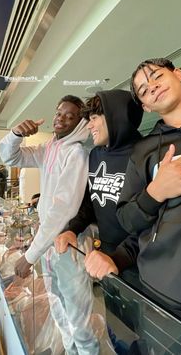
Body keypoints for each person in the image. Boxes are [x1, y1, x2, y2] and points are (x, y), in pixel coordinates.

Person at [116, 58, 181, 343]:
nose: (150, 87)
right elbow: (126, 219)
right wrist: (155, 193)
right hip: (167, 308)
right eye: (142, 90)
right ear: (146, 106)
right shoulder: (143, 151)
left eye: (155, 76)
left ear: (178, 74)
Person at [0, 95, 99, 355]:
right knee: (58, 304)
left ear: (81, 123)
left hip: (69, 243)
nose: (61, 118)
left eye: (70, 115)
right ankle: (70, 350)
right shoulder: (50, 148)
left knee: (79, 315)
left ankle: (86, 352)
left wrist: (30, 256)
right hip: (50, 244)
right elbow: (11, 158)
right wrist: (15, 134)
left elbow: (61, 210)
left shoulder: (75, 153)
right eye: (59, 112)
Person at [55, 89, 143, 284]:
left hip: (141, 259)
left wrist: (120, 257)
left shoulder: (146, 153)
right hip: (105, 256)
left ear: (115, 117)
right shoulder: (96, 155)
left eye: (94, 118)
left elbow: (156, 218)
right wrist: (72, 229)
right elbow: (90, 203)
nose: (90, 125)